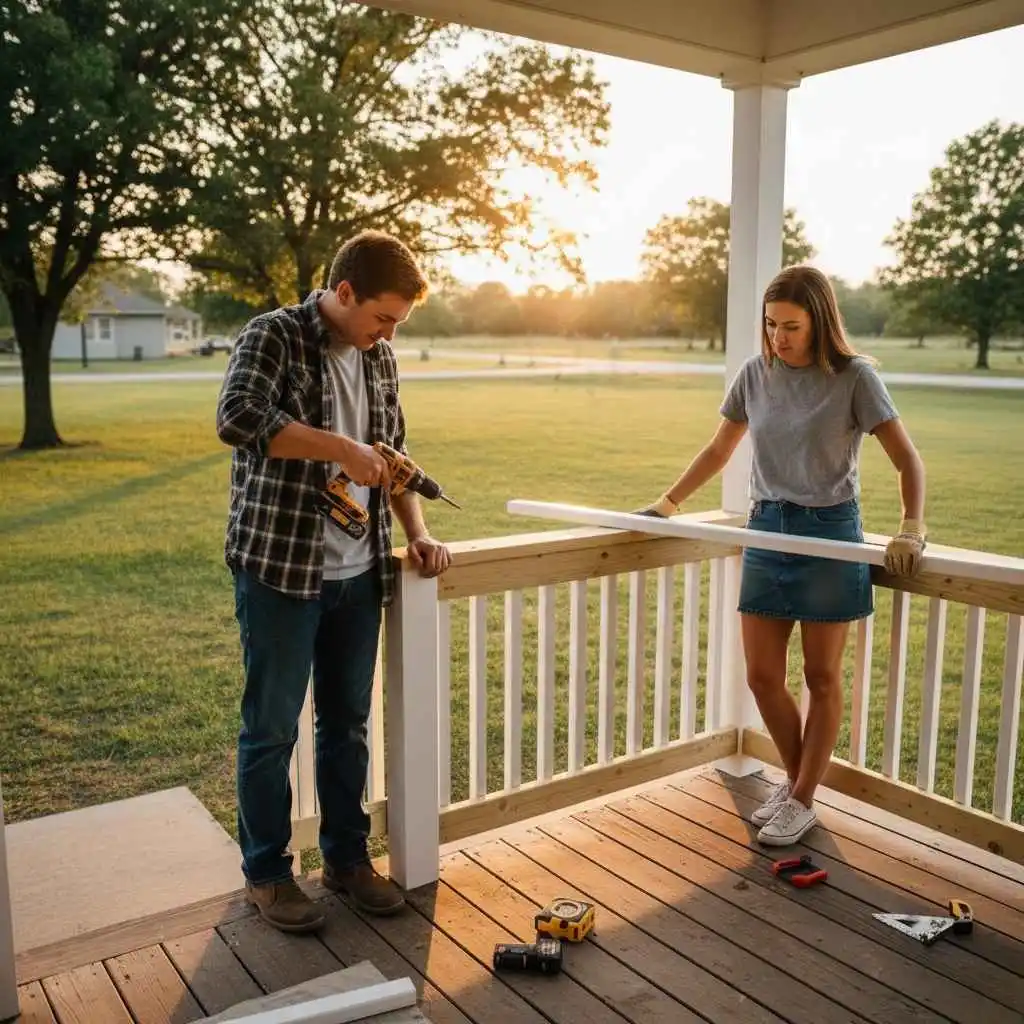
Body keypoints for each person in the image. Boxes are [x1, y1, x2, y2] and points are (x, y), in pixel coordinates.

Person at [635, 265, 926, 846]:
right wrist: (665, 505)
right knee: (764, 677)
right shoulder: (754, 374)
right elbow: (720, 448)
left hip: (830, 533)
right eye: (770, 325)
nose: (778, 338)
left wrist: (911, 529)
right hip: (768, 530)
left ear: (820, 322)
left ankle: (799, 797)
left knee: (820, 675)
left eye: (790, 326)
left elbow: (907, 459)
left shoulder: (855, 378)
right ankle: (798, 791)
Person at [215, 230, 451, 932]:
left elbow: (393, 458)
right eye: (382, 318)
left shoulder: (380, 358)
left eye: (398, 325)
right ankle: (267, 875)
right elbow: (240, 419)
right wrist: (340, 448)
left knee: (346, 726)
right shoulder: (274, 336)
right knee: (270, 731)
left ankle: (348, 863)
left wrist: (419, 533)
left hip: (358, 573)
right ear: (343, 292)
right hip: (281, 571)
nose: (386, 335)